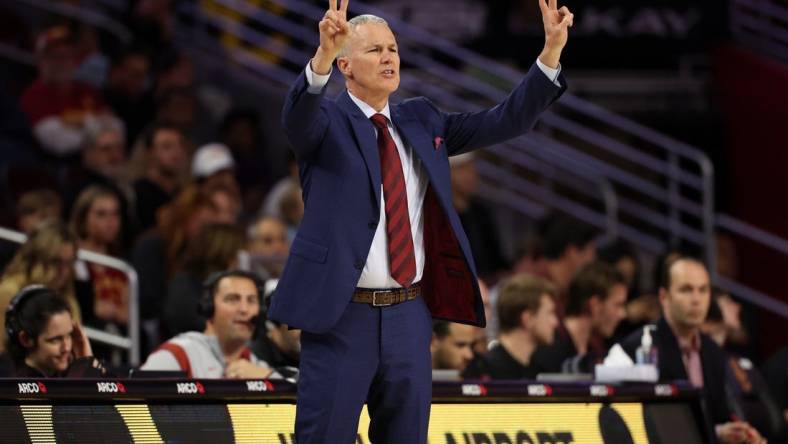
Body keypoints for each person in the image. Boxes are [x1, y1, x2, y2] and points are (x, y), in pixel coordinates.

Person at [268, 0, 572, 441]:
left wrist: (550, 55)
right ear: (345, 65)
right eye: (374, 51)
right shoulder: (327, 120)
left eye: (393, 49)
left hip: (409, 315)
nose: (389, 57)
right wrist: (319, 59)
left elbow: (504, 121)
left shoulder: (420, 118)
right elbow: (296, 119)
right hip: (340, 315)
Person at [618, 256, 765, 444]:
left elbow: (718, 416)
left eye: (703, 290)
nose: (696, 299)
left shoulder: (713, 352)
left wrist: (734, 433)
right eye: (686, 290)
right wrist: (716, 433)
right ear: (664, 297)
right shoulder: (636, 349)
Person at [142, 270, 277, 379]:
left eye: (251, 301)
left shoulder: (255, 365)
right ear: (209, 307)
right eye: (232, 299)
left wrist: (267, 376)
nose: (244, 309)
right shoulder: (177, 355)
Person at [531, 261, 627, 374]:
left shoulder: (596, 350)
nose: (623, 314)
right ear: (595, 305)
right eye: (617, 305)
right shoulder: (550, 350)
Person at [0, 222, 82, 352]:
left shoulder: (69, 301)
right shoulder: (10, 292)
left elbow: (75, 352)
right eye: (56, 262)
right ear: (37, 259)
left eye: (69, 263)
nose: (64, 272)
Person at [463, 274, 558, 380]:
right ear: (527, 319)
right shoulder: (484, 372)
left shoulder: (539, 370)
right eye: (550, 313)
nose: (555, 322)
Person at [5, 285, 104, 377]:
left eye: (69, 335)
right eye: (56, 340)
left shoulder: (67, 374)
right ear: (26, 339)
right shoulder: (15, 389)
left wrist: (87, 361)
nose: (67, 348)